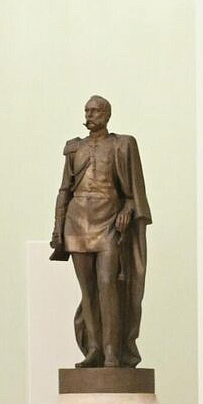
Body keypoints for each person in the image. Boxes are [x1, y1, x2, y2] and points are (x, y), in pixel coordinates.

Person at [50, 94, 152, 368]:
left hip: (108, 221)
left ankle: (112, 351)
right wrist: (57, 228)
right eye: (87, 111)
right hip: (76, 222)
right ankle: (94, 349)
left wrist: (127, 209)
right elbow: (64, 190)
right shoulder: (74, 148)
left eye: (95, 111)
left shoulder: (122, 145)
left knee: (108, 283)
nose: (89, 115)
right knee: (88, 289)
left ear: (107, 114)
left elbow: (133, 193)